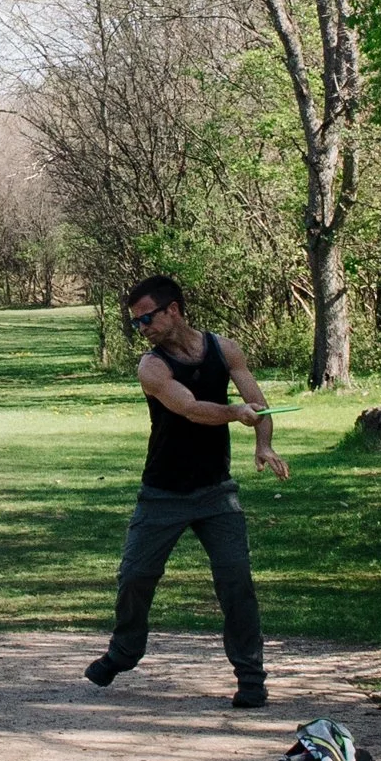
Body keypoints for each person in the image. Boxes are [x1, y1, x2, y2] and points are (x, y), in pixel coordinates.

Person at [84, 273, 288, 706]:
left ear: (173, 310)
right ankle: (124, 652)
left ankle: (251, 678)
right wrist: (235, 412)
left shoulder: (225, 349)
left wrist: (264, 443)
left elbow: (259, 402)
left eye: (147, 318)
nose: (141, 328)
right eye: (136, 322)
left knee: (236, 580)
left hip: (216, 492)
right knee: (136, 576)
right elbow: (191, 409)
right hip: (163, 493)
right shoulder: (152, 367)